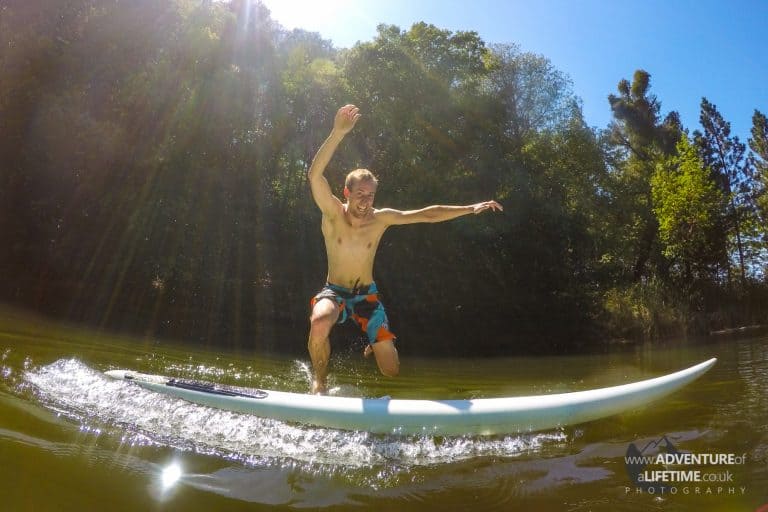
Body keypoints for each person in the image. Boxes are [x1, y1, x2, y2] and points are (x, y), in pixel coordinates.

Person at [307, 104, 503, 394]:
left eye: (371, 195)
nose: (366, 201)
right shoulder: (333, 213)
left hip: (367, 297)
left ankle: (377, 345)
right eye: (360, 194)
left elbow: (427, 213)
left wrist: (470, 208)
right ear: (347, 193)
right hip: (334, 291)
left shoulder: (380, 218)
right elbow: (314, 176)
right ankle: (319, 381)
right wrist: (337, 132)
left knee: (391, 371)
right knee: (320, 320)